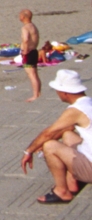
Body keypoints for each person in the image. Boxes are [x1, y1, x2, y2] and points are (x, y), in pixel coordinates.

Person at [22, 70, 92, 203]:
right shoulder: (88, 103)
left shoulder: (76, 110)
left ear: (64, 92)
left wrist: (29, 151)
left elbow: (49, 132)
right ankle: (72, 183)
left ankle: (62, 192)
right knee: (68, 135)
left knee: (50, 146)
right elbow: (66, 129)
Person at [21, 9, 42, 102]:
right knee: (35, 74)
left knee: (32, 74)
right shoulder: (33, 26)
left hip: (29, 52)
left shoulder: (25, 28)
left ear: (23, 17)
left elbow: (26, 40)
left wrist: (25, 51)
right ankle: (38, 93)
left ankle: (35, 95)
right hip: (34, 51)